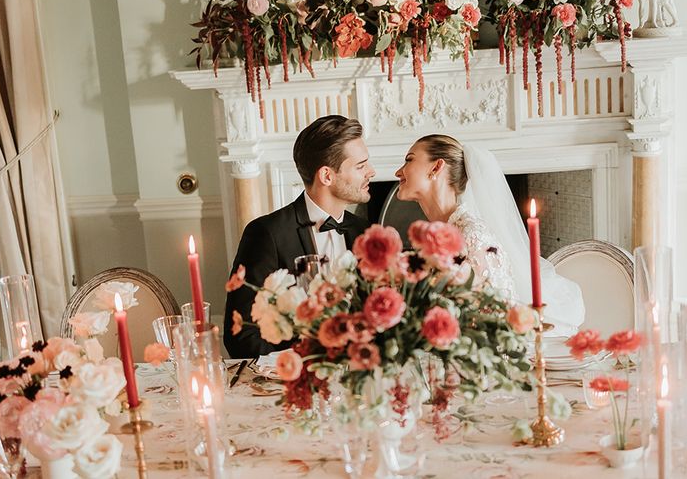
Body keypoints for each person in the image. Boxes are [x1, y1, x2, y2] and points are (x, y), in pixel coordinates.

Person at [394, 135, 584, 335]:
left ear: (436, 167)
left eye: (409, 160)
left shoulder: (473, 236)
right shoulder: (428, 240)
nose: (398, 172)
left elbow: (495, 320)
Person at [224, 115, 374, 358]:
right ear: (327, 176)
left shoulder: (365, 233)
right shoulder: (267, 233)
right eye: (360, 166)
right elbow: (240, 336)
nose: (371, 172)